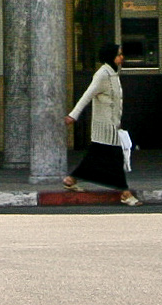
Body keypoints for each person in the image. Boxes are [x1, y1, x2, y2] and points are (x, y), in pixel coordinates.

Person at [65, 42, 139, 205]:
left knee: (95, 156)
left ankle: (71, 179)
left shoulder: (113, 73)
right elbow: (87, 95)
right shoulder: (102, 74)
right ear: (110, 56)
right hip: (105, 126)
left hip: (112, 124)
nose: (122, 57)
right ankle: (125, 193)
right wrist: (73, 115)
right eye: (119, 54)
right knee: (115, 159)